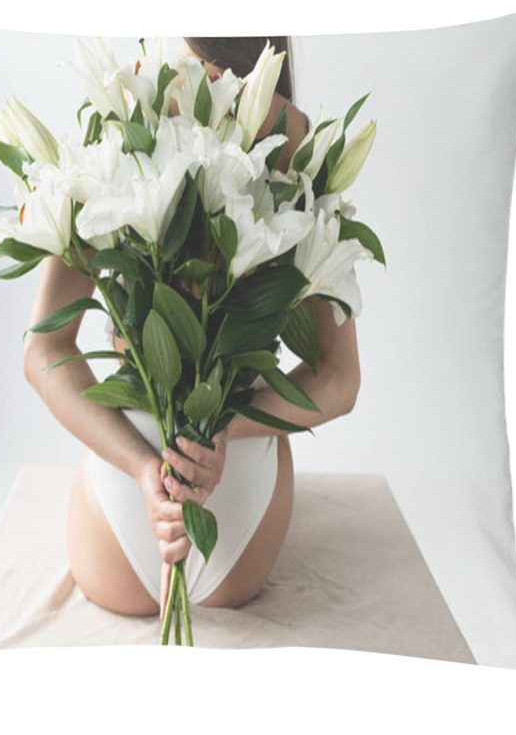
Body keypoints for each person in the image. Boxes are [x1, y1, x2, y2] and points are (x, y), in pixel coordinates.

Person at [22, 36, 362, 622]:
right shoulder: (296, 136)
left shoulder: (125, 104)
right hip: (240, 523)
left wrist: (141, 468)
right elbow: (340, 381)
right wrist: (222, 431)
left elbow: (44, 352)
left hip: (120, 518)